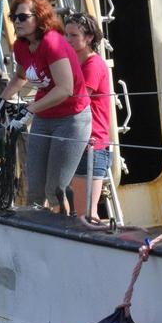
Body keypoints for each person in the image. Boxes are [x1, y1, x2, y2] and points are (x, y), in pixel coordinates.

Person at [0, 0, 90, 212]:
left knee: (54, 189)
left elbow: (65, 89)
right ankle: (35, 231)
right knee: (34, 189)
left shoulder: (53, 43)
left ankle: (64, 231)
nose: (17, 22)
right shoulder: (20, 46)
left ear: (39, 18)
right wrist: (0, 101)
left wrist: (28, 110)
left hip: (71, 120)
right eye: (14, 18)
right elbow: (20, 76)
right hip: (45, 117)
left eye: (23, 17)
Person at [64, 12, 112, 222]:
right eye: (66, 35)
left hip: (90, 144)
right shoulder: (74, 64)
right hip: (75, 141)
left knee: (86, 215)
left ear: (89, 37)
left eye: (73, 35)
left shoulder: (93, 65)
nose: (68, 40)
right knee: (65, 207)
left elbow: (78, 100)